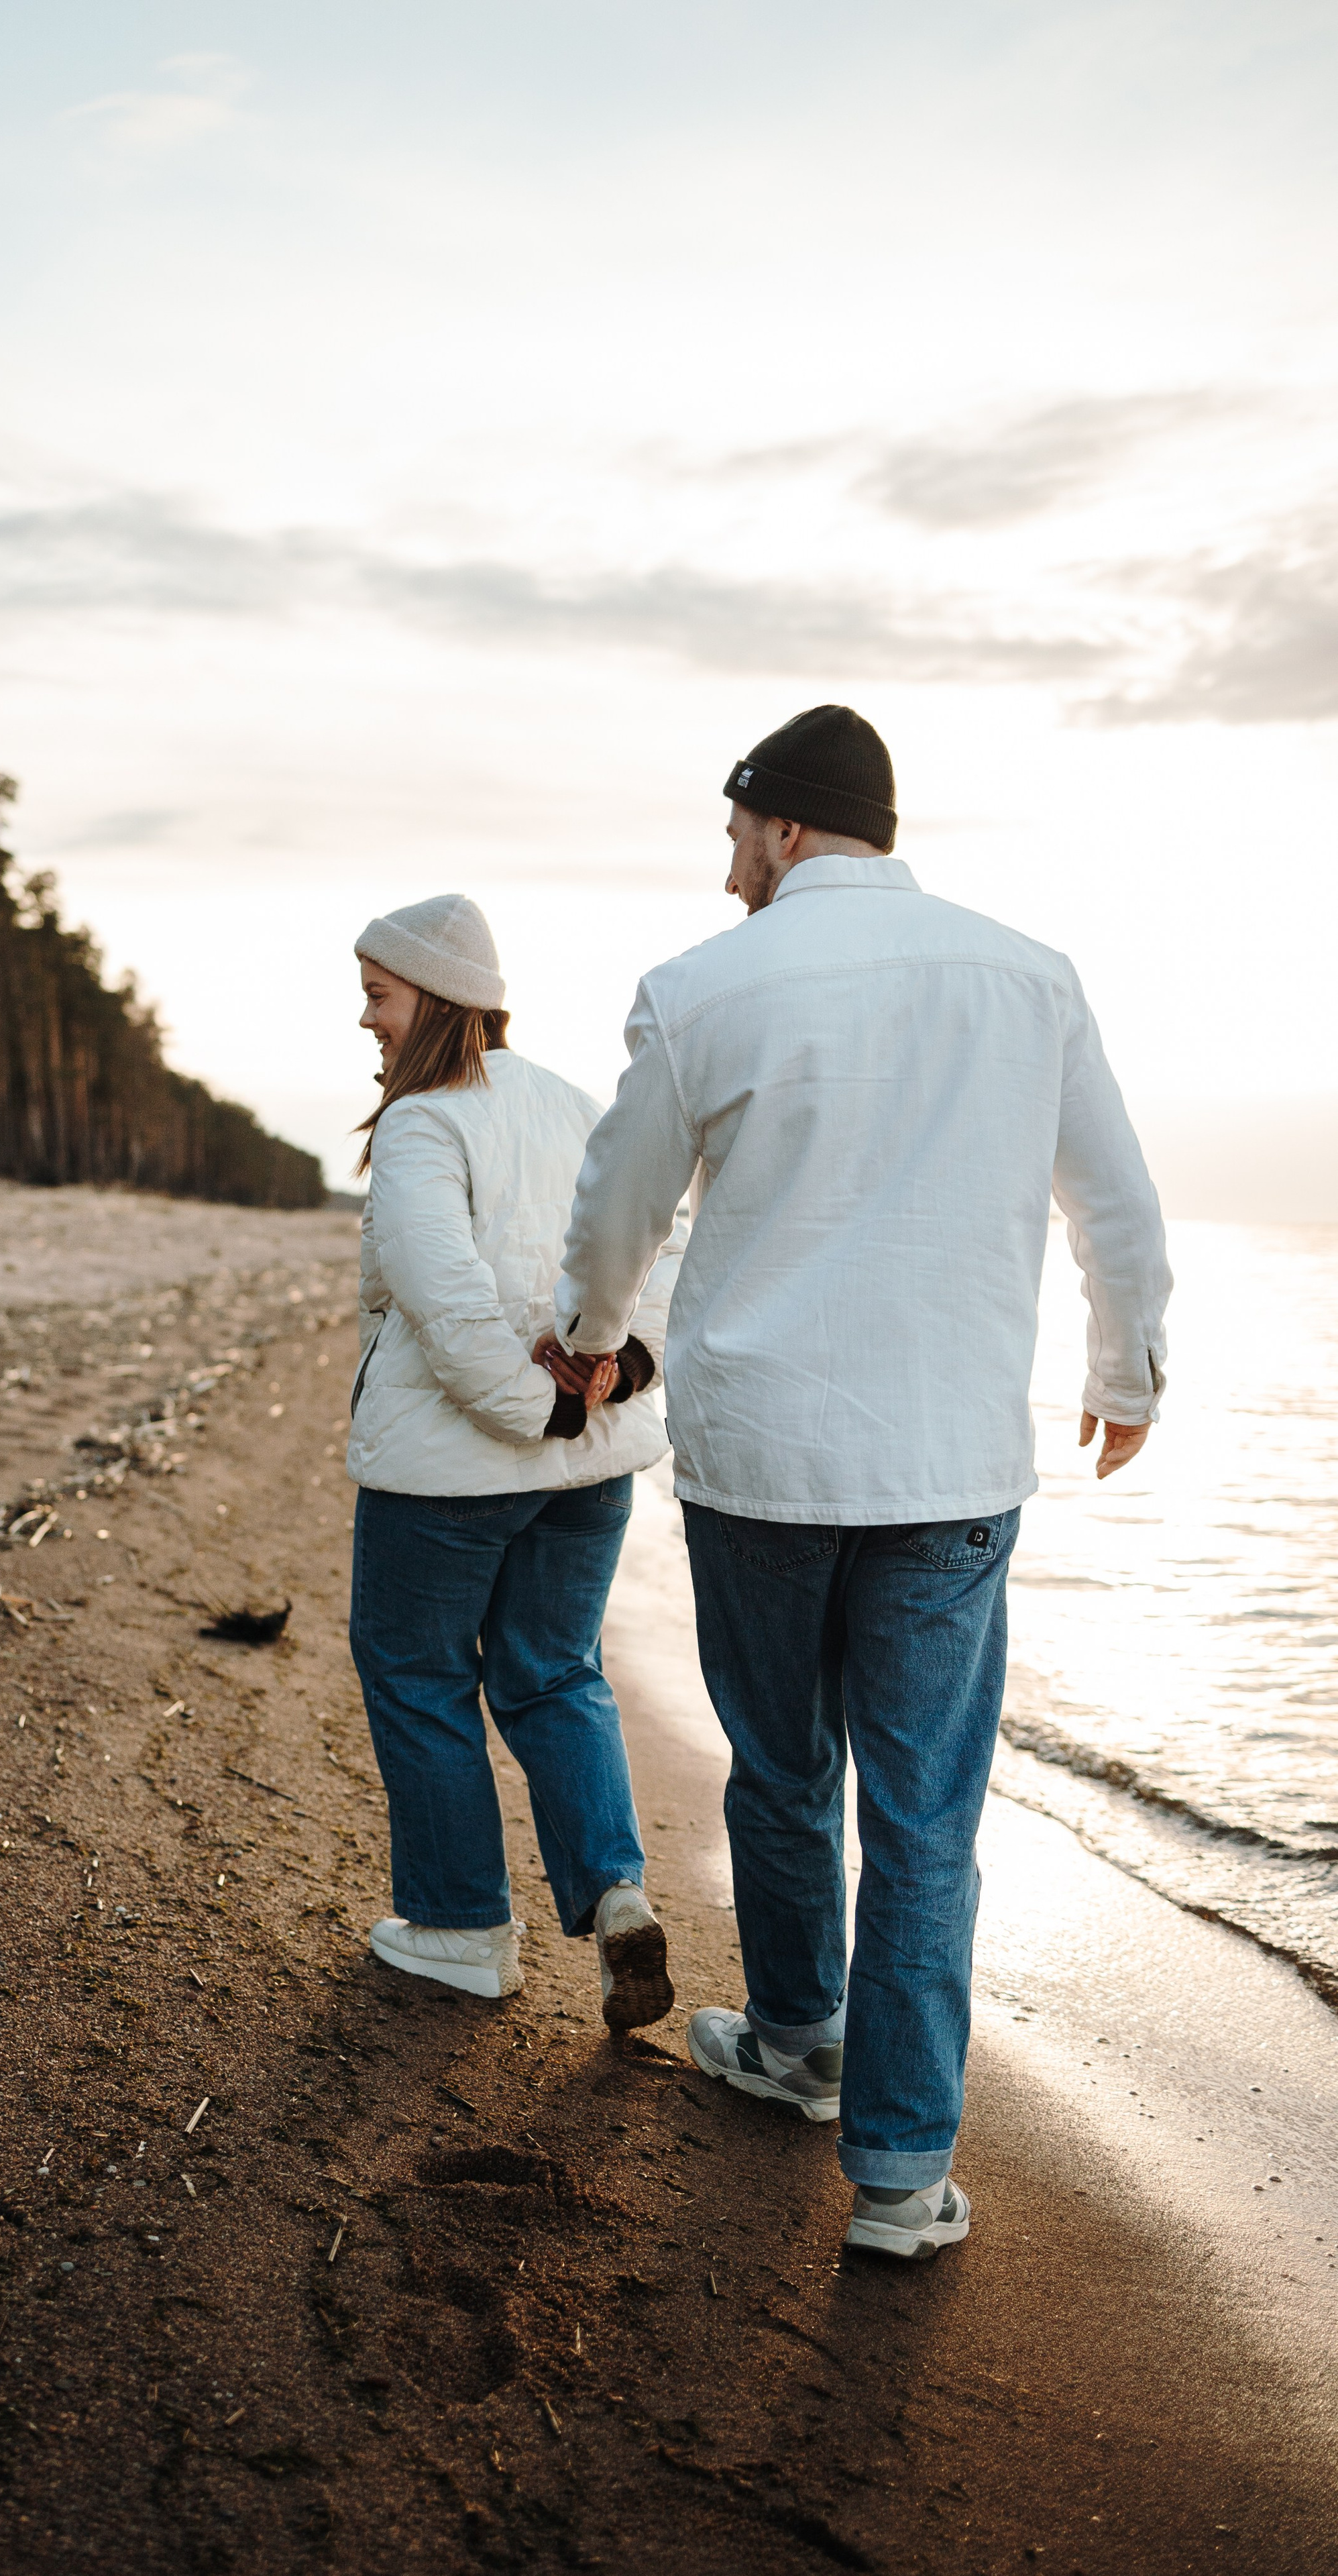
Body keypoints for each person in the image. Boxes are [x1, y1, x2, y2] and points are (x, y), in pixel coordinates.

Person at [552, 705, 1172, 2256]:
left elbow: (614, 1202)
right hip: (950, 1465)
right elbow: (1115, 1202)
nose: (723, 873)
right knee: (921, 1822)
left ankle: (798, 2043)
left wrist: (584, 1337)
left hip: (763, 1467)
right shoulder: (1028, 978)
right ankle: (897, 2179)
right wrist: (1123, 1376)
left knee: (778, 1772)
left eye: (730, 838)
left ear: (777, 825)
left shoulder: (699, 990)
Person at [345, 892, 684, 2029]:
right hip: (587, 1473)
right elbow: (669, 1246)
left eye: (378, 997)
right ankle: (617, 1897)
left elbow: (442, 1298)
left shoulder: (424, 1121)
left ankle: (461, 1932)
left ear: (435, 999)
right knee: (553, 1672)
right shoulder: (578, 1105)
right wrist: (619, 1373)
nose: (367, 1022)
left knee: (417, 1670)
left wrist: (536, 1407)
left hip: (454, 1475)